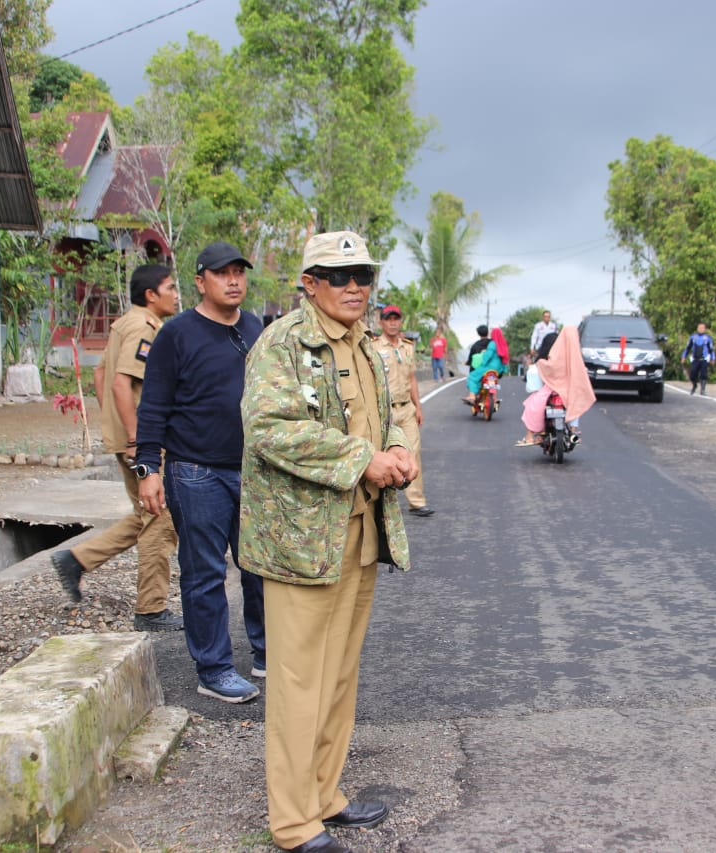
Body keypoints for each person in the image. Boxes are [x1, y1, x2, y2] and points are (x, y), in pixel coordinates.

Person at [238, 229, 417, 853]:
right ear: (308, 284)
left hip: (360, 532)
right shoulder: (282, 343)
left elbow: (389, 415)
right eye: (338, 277)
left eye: (363, 275)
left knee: (339, 675)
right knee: (297, 681)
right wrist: (364, 458)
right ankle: (291, 822)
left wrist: (397, 450)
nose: (354, 287)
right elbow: (269, 428)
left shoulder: (369, 345)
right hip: (301, 541)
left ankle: (324, 795)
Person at [134, 242, 267, 703]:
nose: (233, 280)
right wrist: (148, 468)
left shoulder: (255, 328)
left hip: (251, 470)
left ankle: (268, 652)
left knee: (258, 566)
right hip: (196, 472)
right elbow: (152, 404)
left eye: (239, 272)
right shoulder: (177, 334)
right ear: (200, 280)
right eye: (222, 273)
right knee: (205, 572)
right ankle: (213, 670)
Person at [51, 265, 182, 630]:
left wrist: (116, 426)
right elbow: (121, 383)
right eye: (170, 288)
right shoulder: (144, 328)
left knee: (148, 514)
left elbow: (100, 375)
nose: (175, 294)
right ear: (151, 295)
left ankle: (76, 560)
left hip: (127, 437)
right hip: (141, 442)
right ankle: (151, 609)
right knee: (160, 519)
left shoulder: (124, 323)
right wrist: (137, 440)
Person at [374, 305, 434, 517]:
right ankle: (378, 505)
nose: (392, 322)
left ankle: (416, 502)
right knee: (381, 457)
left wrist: (418, 407)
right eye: (388, 319)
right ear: (381, 322)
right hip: (384, 411)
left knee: (413, 453)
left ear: (401, 322)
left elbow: (412, 379)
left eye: (396, 319)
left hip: (406, 409)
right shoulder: (373, 347)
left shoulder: (407, 348)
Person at [519, 327, 596, 446]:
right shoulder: (575, 358)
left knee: (533, 405)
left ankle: (530, 436)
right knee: (575, 404)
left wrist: (538, 365)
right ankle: (573, 432)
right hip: (569, 391)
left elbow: (541, 378)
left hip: (551, 390)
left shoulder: (551, 357)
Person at [461, 327, 509, 404]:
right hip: (499, 369)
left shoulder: (492, 344)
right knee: (493, 381)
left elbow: (487, 357)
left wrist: (482, 362)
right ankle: (494, 398)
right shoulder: (503, 344)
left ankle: (472, 396)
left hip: (489, 367)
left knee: (472, 376)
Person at [681, 322, 716, 395]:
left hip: (704, 359)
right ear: (697, 328)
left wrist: (713, 358)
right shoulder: (693, 337)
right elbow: (687, 348)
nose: (701, 329)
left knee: (703, 374)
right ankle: (694, 385)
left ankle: (702, 390)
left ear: (705, 329)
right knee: (692, 374)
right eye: (699, 328)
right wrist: (684, 356)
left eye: (702, 328)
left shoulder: (708, 338)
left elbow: (711, 350)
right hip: (695, 359)